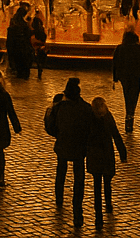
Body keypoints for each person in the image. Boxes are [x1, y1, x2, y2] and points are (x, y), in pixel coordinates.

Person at [52, 76, 93, 227]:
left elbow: (52, 126)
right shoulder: (86, 108)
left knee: (61, 171)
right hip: (79, 148)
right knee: (79, 178)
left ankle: (59, 198)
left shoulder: (59, 107)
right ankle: (77, 213)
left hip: (63, 144)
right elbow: (90, 128)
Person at [86, 96, 127, 229]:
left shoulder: (90, 119)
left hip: (94, 156)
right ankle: (108, 204)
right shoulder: (108, 118)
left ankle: (98, 217)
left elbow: (84, 137)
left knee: (97, 187)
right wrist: (122, 153)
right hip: (107, 155)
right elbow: (116, 134)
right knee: (107, 182)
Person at [111, 26, 140, 132]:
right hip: (135, 76)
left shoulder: (120, 48)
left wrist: (115, 77)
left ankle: (129, 115)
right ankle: (130, 115)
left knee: (127, 95)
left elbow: (115, 63)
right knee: (134, 97)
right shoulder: (139, 49)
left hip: (124, 77)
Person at [5, 3, 33, 80]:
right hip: (22, 47)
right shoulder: (24, 24)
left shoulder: (14, 22)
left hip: (14, 47)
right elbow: (28, 36)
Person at [30, 10, 48, 79]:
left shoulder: (35, 26)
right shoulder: (40, 27)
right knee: (40, 59)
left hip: (37, 46)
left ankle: (39, 69)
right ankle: (40, 69)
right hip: (39, 45)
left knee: (38, 59)